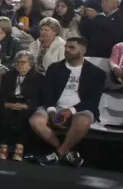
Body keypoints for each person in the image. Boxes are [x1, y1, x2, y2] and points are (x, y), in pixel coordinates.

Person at [29, 36, 106, 167]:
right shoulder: (55, 68)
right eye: (66, 47)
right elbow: (47, 94)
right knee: (35, 121)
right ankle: (67, 152)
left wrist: (69, 112)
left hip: (79, 110)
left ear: (82, 51)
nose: (67, 50)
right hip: (55, 108)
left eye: (71, 48)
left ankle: (57, 154)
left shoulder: (96, 73)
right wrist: (52, 112)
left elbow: (92, 101)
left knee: (83, 121)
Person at [0, 51, 41, 160]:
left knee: (23, 116)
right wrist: (7, 104)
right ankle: (3, 146)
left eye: (23, 62)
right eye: (17, 62)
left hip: (26, 104)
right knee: (4, 115)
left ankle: (19, 147)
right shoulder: (8, 75)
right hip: (9, 102)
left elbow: (37, 98)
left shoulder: (38, 78)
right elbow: (1, 94)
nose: (20, 65)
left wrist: (25, 106)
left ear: (31, 64)